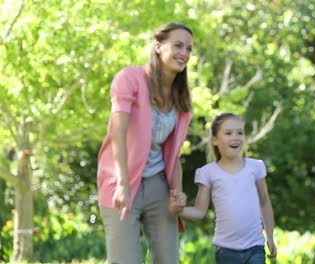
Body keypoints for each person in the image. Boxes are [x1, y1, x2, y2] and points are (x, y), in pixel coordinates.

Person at [96, 22, 193, 264]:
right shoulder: (130, 78)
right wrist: (122, 183)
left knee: (169, 260)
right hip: (121, 182)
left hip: (158, 184)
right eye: (178, 45)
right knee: (125, 260)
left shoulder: (182, 98)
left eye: (189, 49)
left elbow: (174, 153)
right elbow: (117, 133)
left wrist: (176, 191)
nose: (184, 53)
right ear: (158, 46)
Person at [170, 112, 277, 264]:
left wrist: (270, 237)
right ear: (215, 140)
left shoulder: (256, 167)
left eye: (240, 132)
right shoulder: (208, 173)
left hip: (255, 247)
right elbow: (200, 211)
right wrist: (179, 210)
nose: (236, 137)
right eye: (228, 133)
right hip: (225, 251)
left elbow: (265, 203)